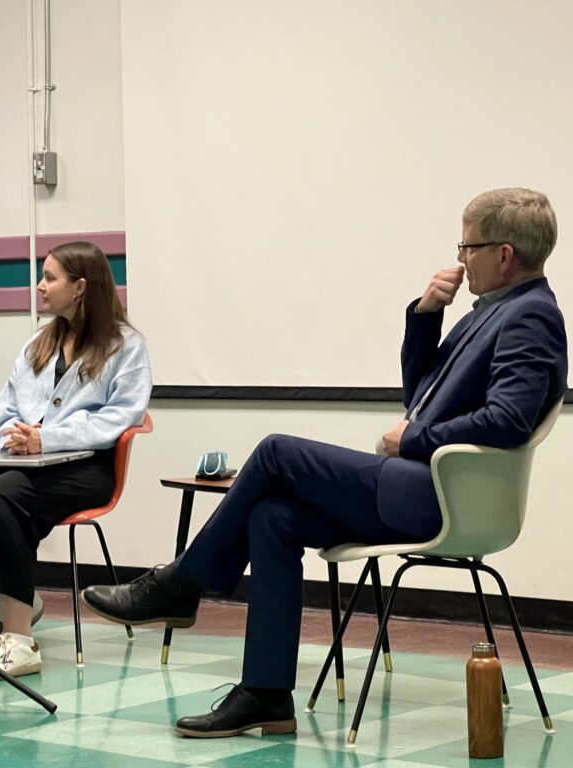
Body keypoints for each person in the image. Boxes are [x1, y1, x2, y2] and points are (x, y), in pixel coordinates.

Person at [82, 187, 567, 737]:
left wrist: (411, 441)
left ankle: (182, 583)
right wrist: (426, 316)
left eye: (467, 246)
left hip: (443, 497)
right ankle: (265, 694)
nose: (459, 258)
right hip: (419, 485)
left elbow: (506, 420)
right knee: (271, 517)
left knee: (275, 451)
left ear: (504, 255)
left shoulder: (531, 317)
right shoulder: (493, 311)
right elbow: (421, 396)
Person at [0, 241, 151, 681]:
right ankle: (9, 598)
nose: (40, 287)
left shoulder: (126, 346)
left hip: (86, 467)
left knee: (1, 498)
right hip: (22, 461)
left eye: (50, 277)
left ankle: (18, 641)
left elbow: (121, 418)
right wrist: (14, 440)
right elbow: (1, 412)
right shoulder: (38, 344)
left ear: (80, 287)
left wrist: (47, 439)